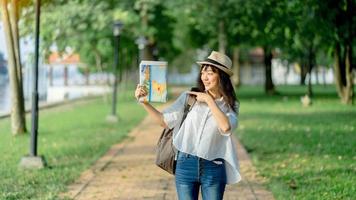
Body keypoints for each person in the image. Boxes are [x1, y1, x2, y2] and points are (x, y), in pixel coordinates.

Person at [134, 51, 241, 200]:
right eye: (203, 72)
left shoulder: (230, 105)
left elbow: (225, 128)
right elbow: (163, 121)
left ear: (221, 77)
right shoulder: (189, 97)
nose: (204, 77)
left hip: (214, 167)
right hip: (185, 164)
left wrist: (209, 101)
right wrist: (144, 102)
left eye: (210, 73)